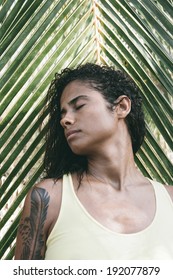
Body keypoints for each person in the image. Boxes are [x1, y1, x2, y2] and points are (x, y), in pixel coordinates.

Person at [14, 63, 173, 260]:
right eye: (62, 114)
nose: (65, 120)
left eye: (79, 106)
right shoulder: (49, 198)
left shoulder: (170, 200)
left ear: (122, 107)